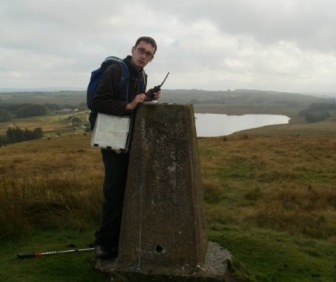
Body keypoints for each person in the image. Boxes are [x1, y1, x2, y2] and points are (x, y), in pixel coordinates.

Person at [91, 36, 159, 260]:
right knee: (114, 191)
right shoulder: (115, 71)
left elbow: (133, 102)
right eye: (141, 50)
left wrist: (148, 98)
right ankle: (103, 244)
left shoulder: (142, 75)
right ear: (133, 49)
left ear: (151, 59)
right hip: (112, 138)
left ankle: (118, 239)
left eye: (148, 54)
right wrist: (128, 105)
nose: (143, 55)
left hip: (127, 139)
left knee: (125, 189)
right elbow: (97, 102)